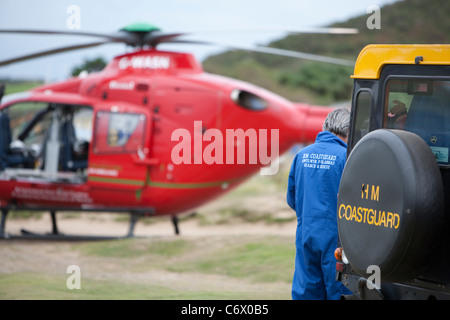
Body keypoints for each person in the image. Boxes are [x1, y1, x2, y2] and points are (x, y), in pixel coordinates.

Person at [286, 108, 352, 300]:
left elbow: (292, 198)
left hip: (306, 232)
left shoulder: (301, 155)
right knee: (338, 289)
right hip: (337, 237)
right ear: (348, 131)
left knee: (307, 289)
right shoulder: (346, 157)